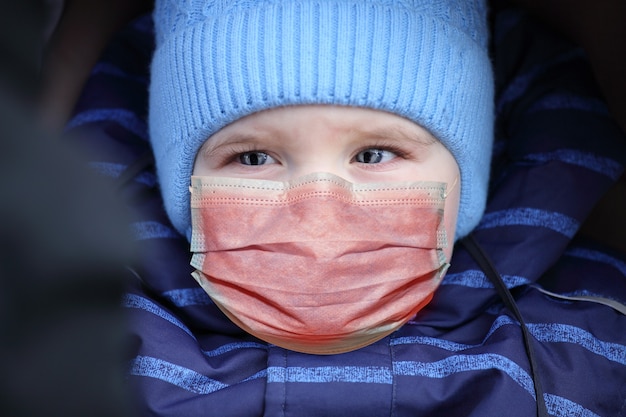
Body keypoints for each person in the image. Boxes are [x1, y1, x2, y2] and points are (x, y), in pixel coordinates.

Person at [58, 0, 626, 416]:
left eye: (374, 153)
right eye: (253, 158)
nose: (317, 209)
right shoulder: (81, 341)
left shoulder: (588, 339)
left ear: (467, 174)